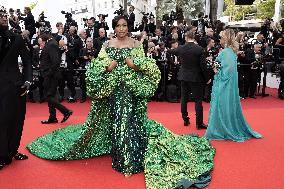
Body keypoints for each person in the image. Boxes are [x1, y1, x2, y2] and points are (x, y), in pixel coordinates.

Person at [26, 15, 215, 189]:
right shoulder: (107, 44)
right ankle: (125, 160)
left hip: (133, 91)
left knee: (129, 121)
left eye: (125, 25)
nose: (122, 28)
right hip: (113, 90)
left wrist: (135, 65)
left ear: (128, 27)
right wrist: (108, 67)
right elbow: (95, 69)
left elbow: (149, 67)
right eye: (118, 25)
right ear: (114, 27)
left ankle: (128, 159)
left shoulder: (136, 44)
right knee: (119, 121)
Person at [204, 29, 262, 142]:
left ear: (226, 39)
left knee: (222, 107)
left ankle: (222, 129)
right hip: (228, 86)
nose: (219, 40)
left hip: (224, 86)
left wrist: (215, 70)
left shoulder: (226, 52)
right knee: (227, 106)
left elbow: (228, 71)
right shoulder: (230, 51)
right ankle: (223, 127)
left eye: (221, 37)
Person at [0, 6, 32, 170]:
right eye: (0, 16)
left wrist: (27, 81)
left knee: (17, 120)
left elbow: (27, 61)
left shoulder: (17, 38)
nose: (4, 18)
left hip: (16, 87)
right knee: (2, 121)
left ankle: (12, 151)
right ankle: (2, 154)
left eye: (4, 15)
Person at [169, 30, 211, 128]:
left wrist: (167, 49)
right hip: (196, 78)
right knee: (198, 100)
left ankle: (185, 119)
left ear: (186, 38)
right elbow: (203, 66)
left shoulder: (181, 48)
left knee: (184, 98)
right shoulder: (199, 49)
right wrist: (207, 78)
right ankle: (199, 123)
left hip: (183, 77)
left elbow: (172, 51)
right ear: (194, 38)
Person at [39, 29, 73, 124]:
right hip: (51, 74)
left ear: (46, 34)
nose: (40, 37)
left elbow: (55, 61)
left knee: (48, 96)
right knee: (51, 96)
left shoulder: (52, 44)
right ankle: (52, 117)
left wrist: (48, 73)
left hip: (51, 75)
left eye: (41, 35)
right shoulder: (51, 43)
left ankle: (66, 111)